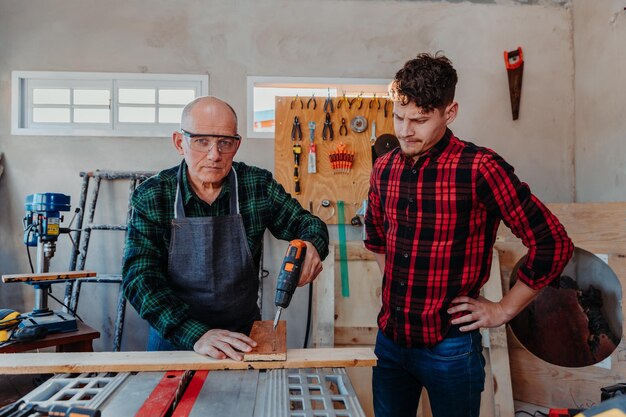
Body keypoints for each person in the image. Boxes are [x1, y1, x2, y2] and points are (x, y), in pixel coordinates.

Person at [364, 53, 574, 417]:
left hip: (450, 348)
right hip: (391, 343)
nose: (404, 131)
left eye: (419, 120)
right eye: (398, 117)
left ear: (450, 113)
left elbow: (553, 244)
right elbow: (377, 238)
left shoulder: (480, 169)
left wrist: (504, 309)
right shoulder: (384, 169)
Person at [122, 96, 329, 360]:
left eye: (225, 143)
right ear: (179, 143)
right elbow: (139, 278)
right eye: (201, 141)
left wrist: (311, 244)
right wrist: (194, 333)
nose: (214, 155)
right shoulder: (153, 195)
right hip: (176, 339)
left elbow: (308, 224)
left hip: (243, 340)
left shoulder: (256, 186)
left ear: (237, 145)